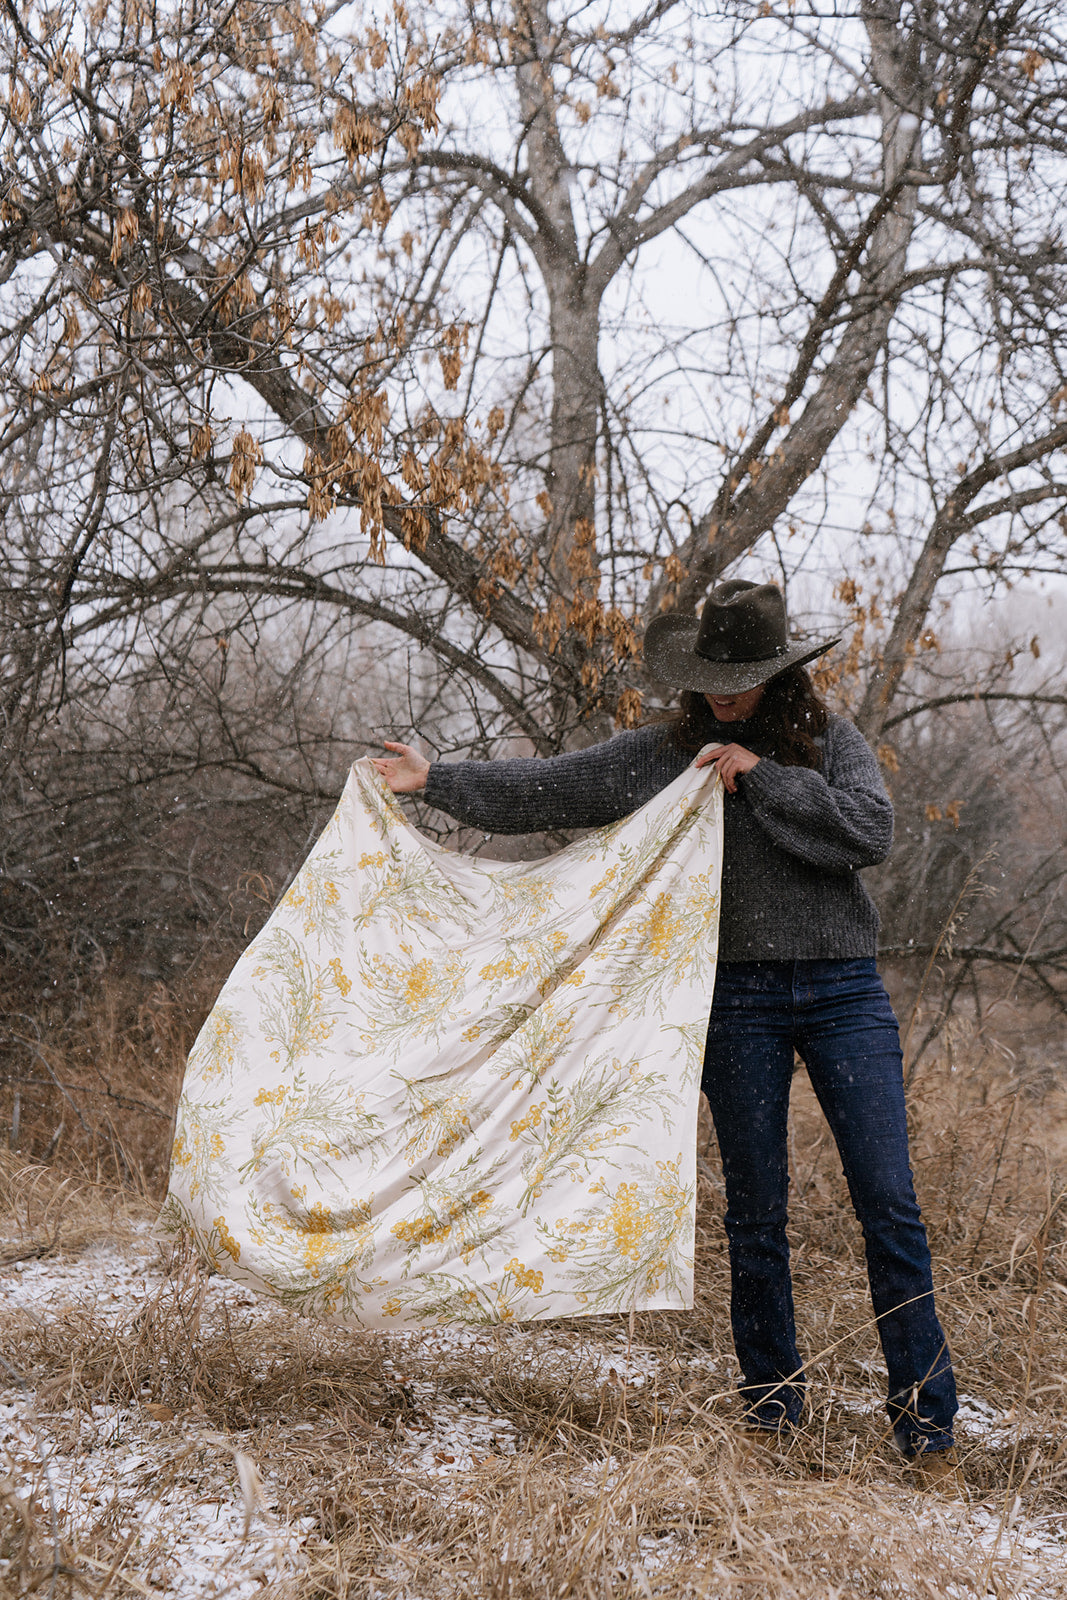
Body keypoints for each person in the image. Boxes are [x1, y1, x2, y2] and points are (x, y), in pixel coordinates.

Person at [372, 579, 958, 1472]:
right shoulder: (664, 753)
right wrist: (435, 780)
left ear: (779, 673)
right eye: (714, 674)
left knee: (890, 1208)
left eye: (745, 675)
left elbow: (866, 833)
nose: (726, 690)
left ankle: (926, 1430)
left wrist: (763, 780)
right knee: (755, 1215)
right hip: (733, 1002)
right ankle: (772, 1416)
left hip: (843, 991)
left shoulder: (827, 744)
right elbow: (550, 790)